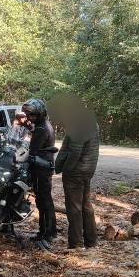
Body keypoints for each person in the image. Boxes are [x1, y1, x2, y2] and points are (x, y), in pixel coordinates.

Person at [55, 107, 100, 249]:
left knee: (74, 208)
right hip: (87, 170)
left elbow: (74, 152)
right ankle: (91, 241)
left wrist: (66, 170)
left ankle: (76, 243)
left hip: (76, 172)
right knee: (85, 205)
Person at [22, 98, 57, 243]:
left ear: (41, 114)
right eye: (29, 115)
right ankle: (48, 231)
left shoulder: (42, 128)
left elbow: (32, 151)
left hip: (41, 168)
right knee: (45, 200)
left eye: (33, 115)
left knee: (44, 201)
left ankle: (47, 233)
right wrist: (28, 127)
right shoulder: (43, 125)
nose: (30, 118)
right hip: (44, 166)